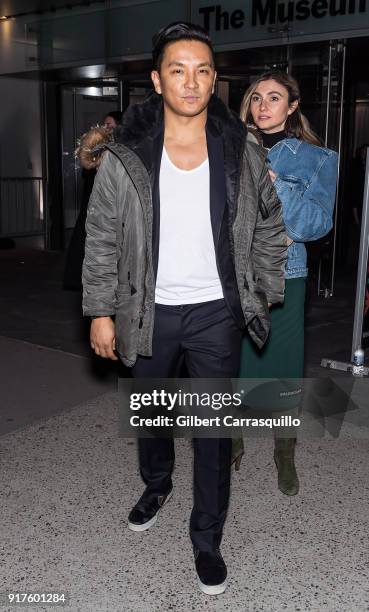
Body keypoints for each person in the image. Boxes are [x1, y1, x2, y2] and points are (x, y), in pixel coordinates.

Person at [81, 24, 287, 595]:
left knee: (213, 431)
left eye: (202, 70)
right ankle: (156, 483)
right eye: (178, 69)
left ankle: (207, 538)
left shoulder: (241, 148)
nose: (191, 81)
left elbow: (270, 224)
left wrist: (262, 287)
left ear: (214, 79)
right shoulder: (126, 156)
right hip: (148, 310)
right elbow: (101, 236)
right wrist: (100, 311)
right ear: (157, 79)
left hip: (216, 312)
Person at [234, 71, 338, 495]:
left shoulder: (317, 159)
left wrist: (278, 188)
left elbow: (315, 225)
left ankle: (284, 450)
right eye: (256, 97)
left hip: (284, 273)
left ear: (292, 106)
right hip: (229, 272)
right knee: (228, 363)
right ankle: (230, 441)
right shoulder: (227, 148)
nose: (263, 106)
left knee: (283, 365)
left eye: (274, 98)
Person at [63, 112, 123, 291]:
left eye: (111, 126)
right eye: (105, 125)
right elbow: (86, 169)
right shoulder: (97, 148)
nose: (107, 129)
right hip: (92, 206)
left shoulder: (122, 152)